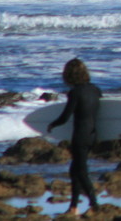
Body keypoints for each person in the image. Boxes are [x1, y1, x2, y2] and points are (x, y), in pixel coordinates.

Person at [47, 58, 102, 217]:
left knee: (81, 171)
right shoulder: (95, 90)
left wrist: (52, 125)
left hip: (80, 135)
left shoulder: (75, 93)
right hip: (93, 134)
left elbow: (65, 117)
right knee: (75, 170)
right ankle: (73, 207)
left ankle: (94, 203)